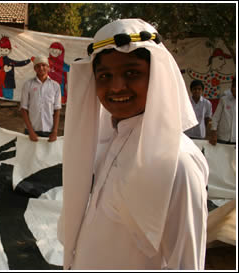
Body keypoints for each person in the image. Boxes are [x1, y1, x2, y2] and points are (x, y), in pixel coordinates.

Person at [58, 19, 208, 270]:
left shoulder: (177, 162)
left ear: (157, 77)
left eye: (132, 73)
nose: (116, 86)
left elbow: (187, 263)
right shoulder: (110, 143)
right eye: (105, 76)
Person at [20, 56, 61, 142]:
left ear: (48, 68)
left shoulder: (55, 86)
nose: (41, 68)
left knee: (47, 155)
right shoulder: (28, 84)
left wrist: (55, 131)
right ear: (34, 68)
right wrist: (30, 131)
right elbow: (23, 109)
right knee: (29, 155)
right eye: (38, 66)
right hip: (31, 130)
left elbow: (57, 110)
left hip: (49, 131)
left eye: (43, 65)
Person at [209, 76, 236, 145]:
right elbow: (215, 118)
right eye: (233, 86)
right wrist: (213, 133)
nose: (234, 89)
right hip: (222, 138)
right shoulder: (224, 100)